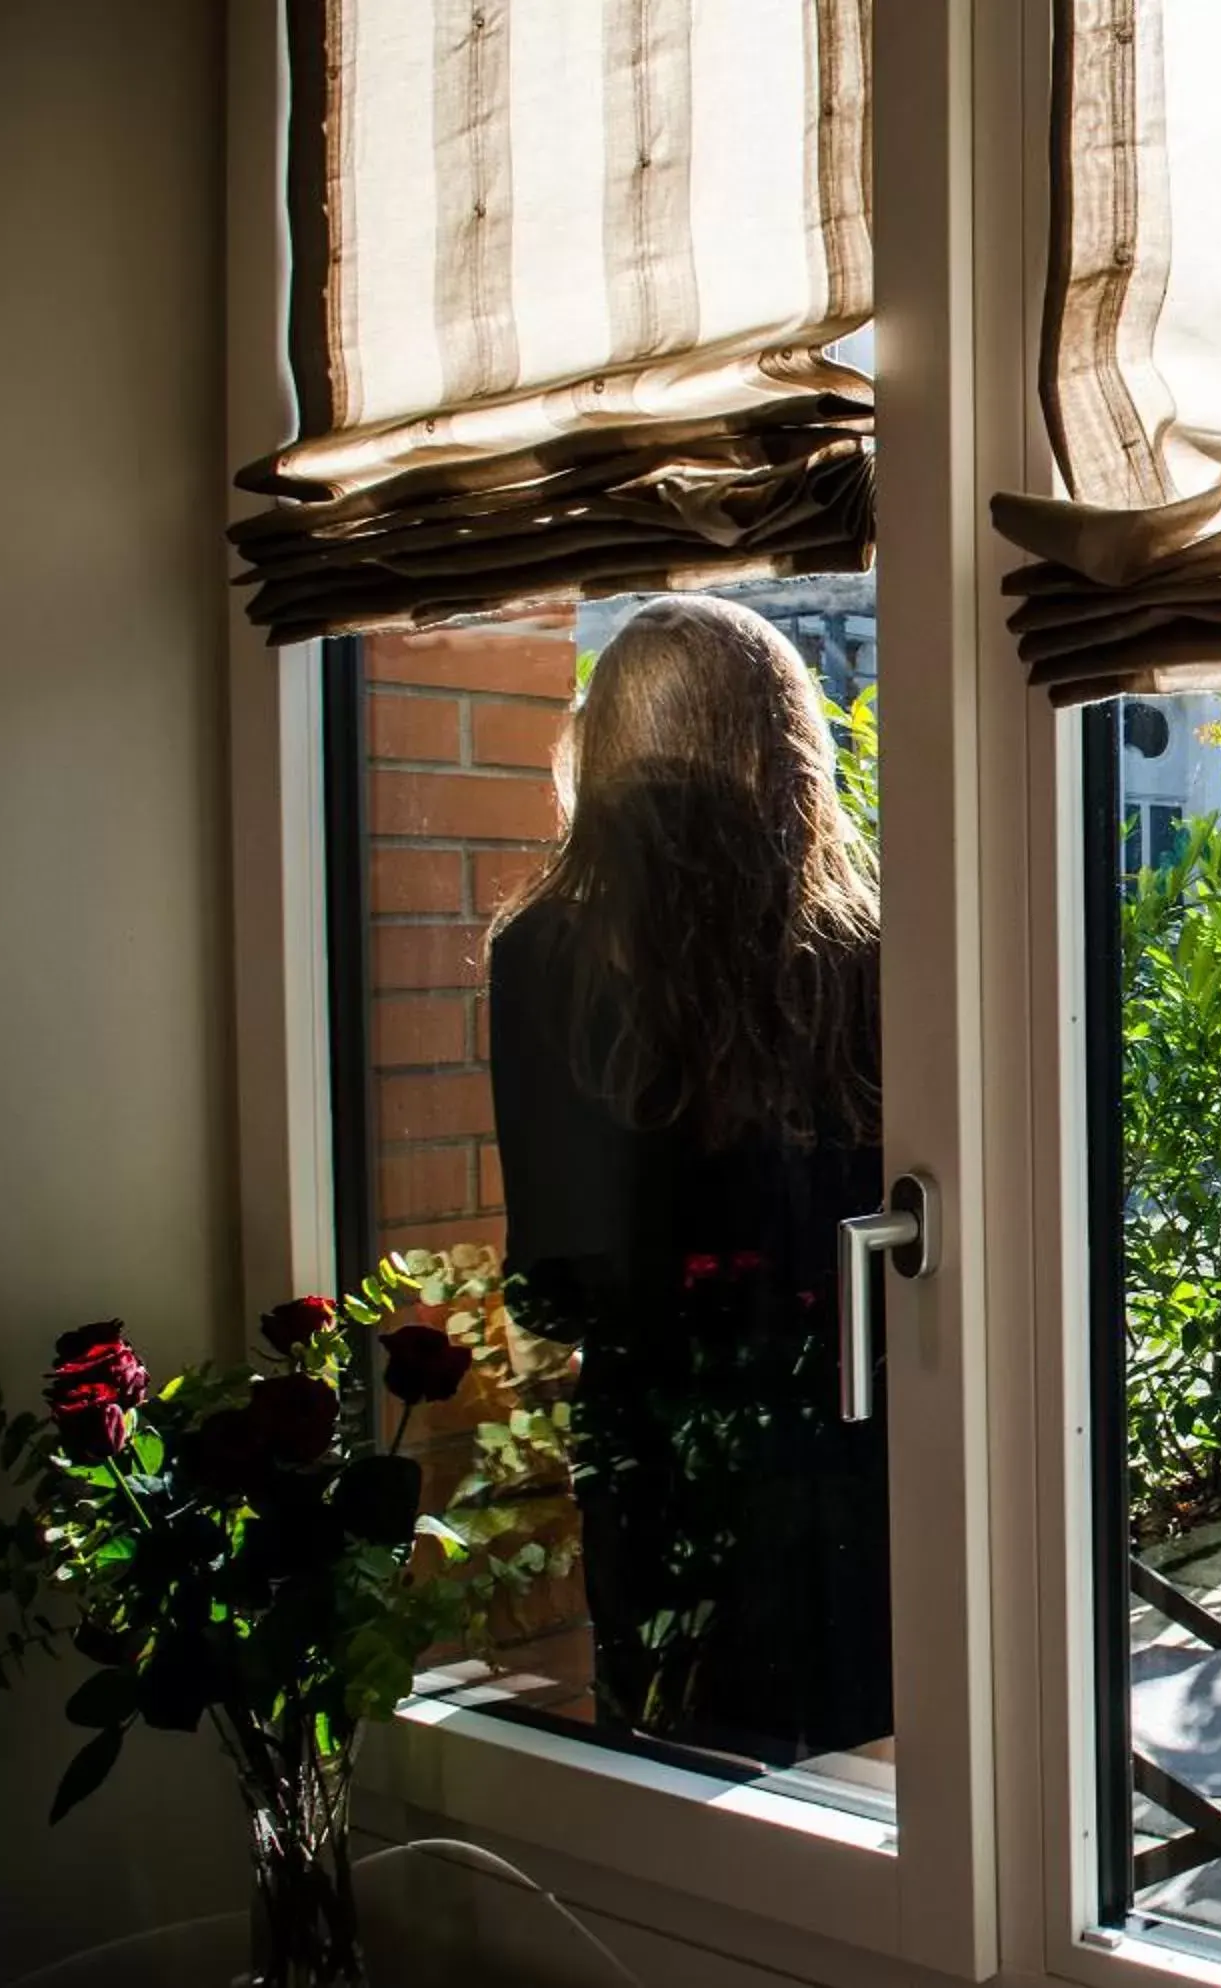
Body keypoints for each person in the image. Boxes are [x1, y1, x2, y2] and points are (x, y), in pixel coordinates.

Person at [486, 593, 889, 1765]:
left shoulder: (541, 952)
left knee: (676, 1760)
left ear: (601, 740)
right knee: (860, 1761)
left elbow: (555, 1277)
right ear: (788, 747)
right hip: (850, 1416)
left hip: (651, 1434)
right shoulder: (862, 948)